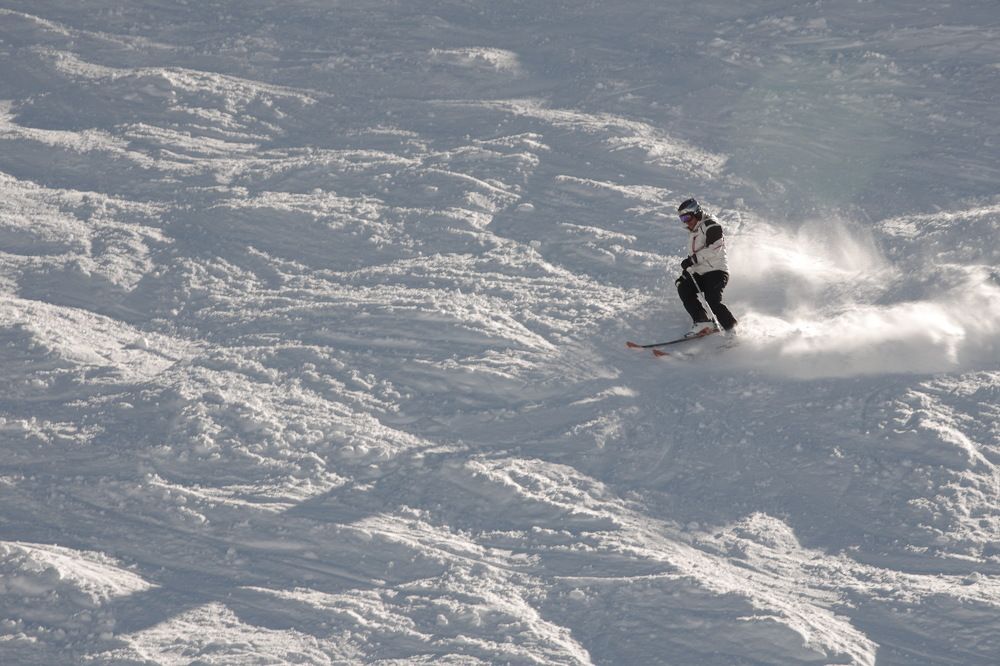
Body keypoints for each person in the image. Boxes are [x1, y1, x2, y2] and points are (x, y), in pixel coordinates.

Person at [673, 197, 738, 337]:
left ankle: (731, 330)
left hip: (716, 271)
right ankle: (702, 321)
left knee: (712, 299)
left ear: (696, 213)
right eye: (682, 219)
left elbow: (715, 248)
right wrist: (689, 266)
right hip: (701, 272)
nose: (685, 222)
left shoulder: (711, 225)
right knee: (683, 286)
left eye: (687, 218)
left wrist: (692, 260)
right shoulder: (694, 232)